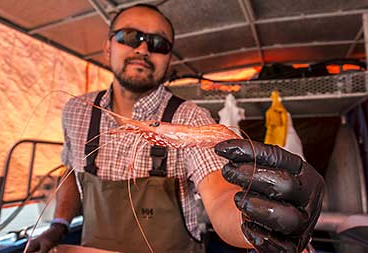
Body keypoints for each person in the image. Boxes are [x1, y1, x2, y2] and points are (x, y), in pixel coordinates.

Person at [26, 4, 324, 253]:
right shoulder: (77, 110)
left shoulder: (193, 117)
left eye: (158, 43)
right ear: (107, 46)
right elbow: (69, 170)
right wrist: (58, 226)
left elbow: (219, 194)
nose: (143, 48)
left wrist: (260, 224)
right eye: (129, 36)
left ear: (169, 59)